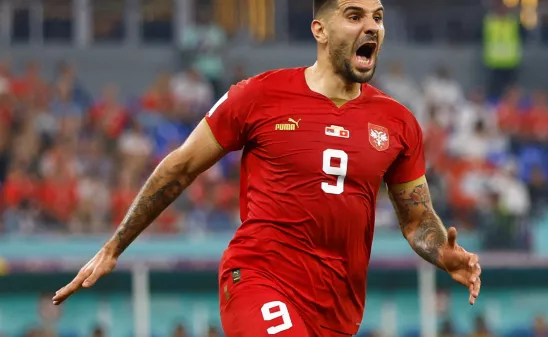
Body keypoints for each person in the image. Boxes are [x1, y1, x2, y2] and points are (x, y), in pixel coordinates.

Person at [52, 1, 482, 336]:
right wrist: (113, 247)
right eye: (354, 16)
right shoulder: (258, 96)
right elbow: (180, 167)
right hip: (258, 277)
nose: (371, 26)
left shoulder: (398, 122)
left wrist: (441, 250)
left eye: (378, 17)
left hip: (337, 304)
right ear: (320, 29)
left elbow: (417, 220)